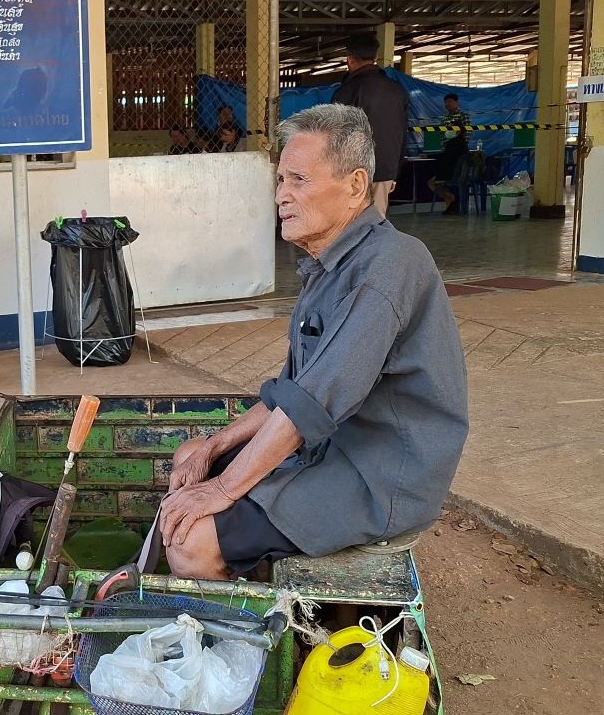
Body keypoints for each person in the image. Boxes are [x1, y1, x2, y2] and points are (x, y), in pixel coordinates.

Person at [157, 104, 468, 580]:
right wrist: (214, 447)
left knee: (190, 544)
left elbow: (312, 405)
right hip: (329, 447)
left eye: (299, 180)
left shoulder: (388, 265)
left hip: (379, 475)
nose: (281, 195)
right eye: (281, 180)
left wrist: (222, 490)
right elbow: (293, 391)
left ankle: (251, 611)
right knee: (192, 457)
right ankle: (253, 571)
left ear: (356, 186)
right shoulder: (328, 265)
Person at [330, 33, 410, 218]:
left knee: (349, 221)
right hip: (385, 169)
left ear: (349, 60)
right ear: (376, 57)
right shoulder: (396, 90)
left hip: (352, 170)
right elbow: (403, 133)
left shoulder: (346, 91)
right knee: (377, 221)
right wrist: (394, 172)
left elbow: (335, 133)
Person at [426, 93, 471, 214]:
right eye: (445, 102)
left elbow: (467, 133)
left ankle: (452, 200)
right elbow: (443, 136)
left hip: (457, 156)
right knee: (434, 180)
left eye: (450, 101)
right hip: (447, 153)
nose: (447, 104)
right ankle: (450, 202)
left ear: (456, 102)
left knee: (437, 180)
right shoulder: (444, 118)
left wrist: (460, 143)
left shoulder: (463, 115)